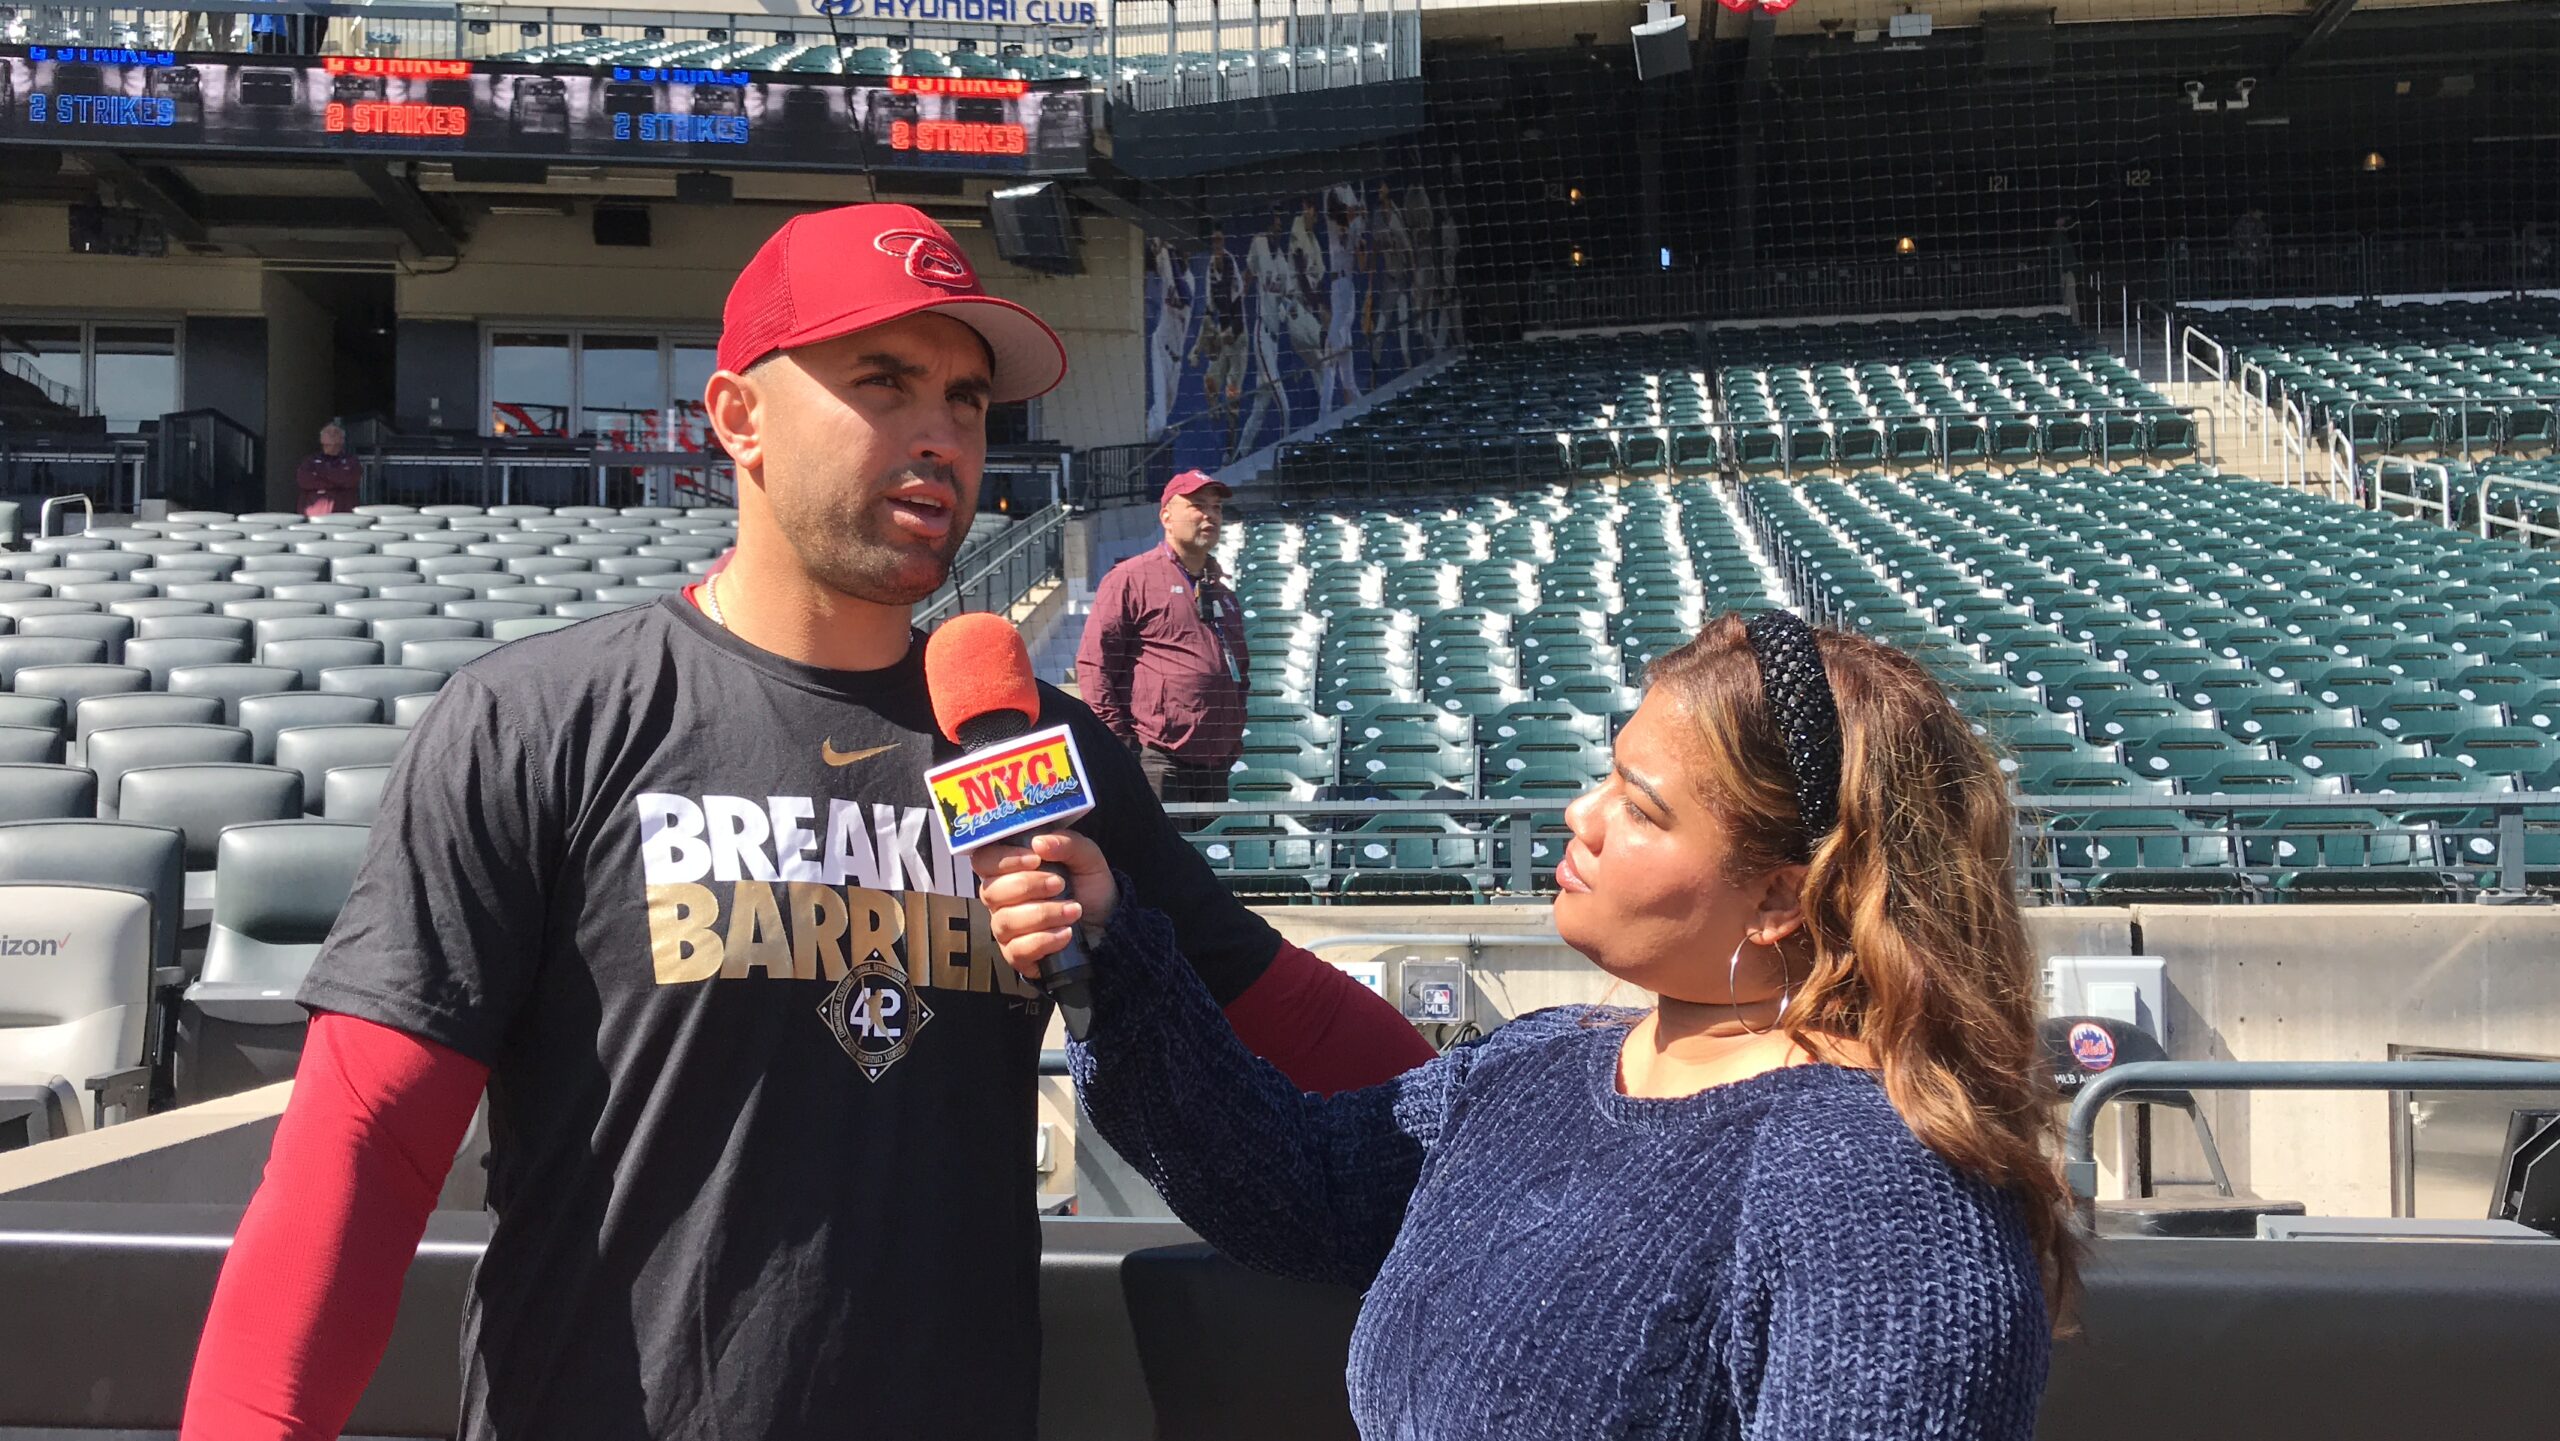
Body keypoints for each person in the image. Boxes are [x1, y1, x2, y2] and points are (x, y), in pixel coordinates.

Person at [178, 203, 1432, 1441]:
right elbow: (363, 1147)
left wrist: (1549, 1120)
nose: (939, 433)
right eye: (883, 381)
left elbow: (1290, 1012)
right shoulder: (539, 719)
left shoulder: (1037, 746)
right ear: (738, 419)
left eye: (966, 400)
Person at [977, 611, 2070, 1439]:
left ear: (1784, 894)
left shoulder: (1886, 1189)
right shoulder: (1538, 1059)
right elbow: (1290, 1181)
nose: (1578, 815)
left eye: (1640, 808)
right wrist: (1111, 947)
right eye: (1605, 774)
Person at [1076, 469, 1247, 823]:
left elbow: (1240, 671)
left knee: (1205, 868)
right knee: (1159, 866)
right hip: (1156, 756)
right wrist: (1121, 744)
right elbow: (1095, 665)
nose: (1210, 515)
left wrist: (1232, 738)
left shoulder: (1223, 590)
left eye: (1216, 508)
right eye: (1198, 505)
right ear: (1166, 516)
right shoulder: (1131, 578)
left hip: (1215, 759)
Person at [295, 421, 363, 517]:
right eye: (328, 433)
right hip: (314, 515)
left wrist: (320, 477)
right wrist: (337, 483)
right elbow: (304, 481)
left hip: (344, 514)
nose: (331, 436)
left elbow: (350, 480)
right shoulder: (310, 461)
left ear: (342, 440)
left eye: (335, 433)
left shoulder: (351, 461)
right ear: (321, 439)